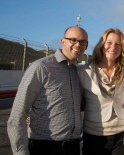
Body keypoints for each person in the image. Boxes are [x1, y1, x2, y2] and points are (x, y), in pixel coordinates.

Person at [7, 26, 89, 155]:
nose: (78, 45)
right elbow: (18, 114)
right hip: (45, 147)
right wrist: (20, 152)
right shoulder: (41, 67)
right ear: (63, 41)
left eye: (83, 42)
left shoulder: (77, 71)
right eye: (73, 40)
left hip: (72, 146)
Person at [77, 28, 124, 155]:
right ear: (101, 45)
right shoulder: (83, 71)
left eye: (118, 44)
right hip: (94, 134)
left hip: (123, 135)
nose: (113, 47)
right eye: (109, 42)